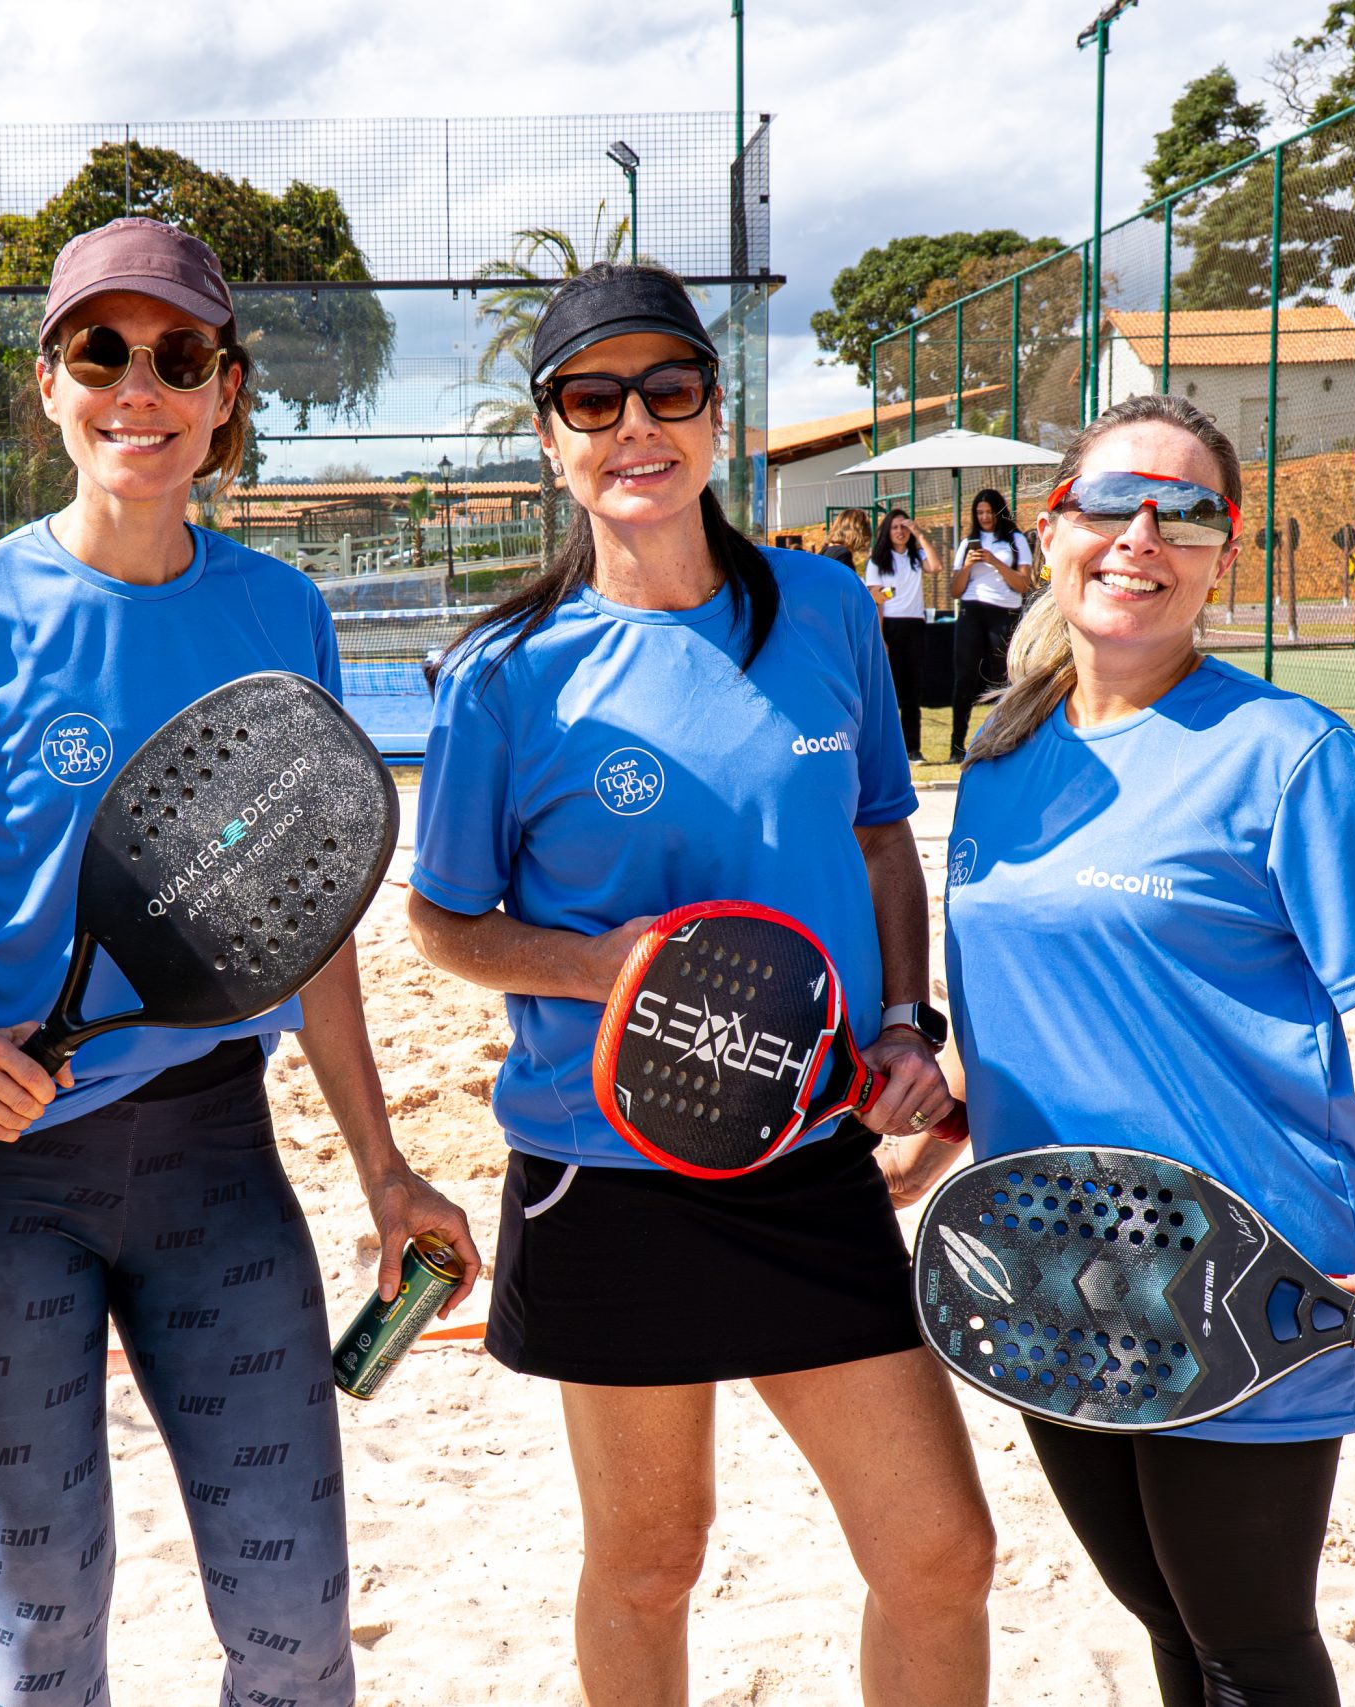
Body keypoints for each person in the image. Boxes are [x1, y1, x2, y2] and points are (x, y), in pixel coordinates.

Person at [0, 217, 478, 1707]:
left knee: (296, 1626)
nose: (140, 387)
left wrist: (384, 1170)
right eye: (101, 351)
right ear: (48, 382)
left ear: (226, 388)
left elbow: (307, 918)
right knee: (45, 1624)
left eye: (179, 356)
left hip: (209, 1155)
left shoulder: (278, 610)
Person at [405, 262, 995, 1707]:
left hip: (807, 1151)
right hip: (607, 1169)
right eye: (591, 398)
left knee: (940, 1552)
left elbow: (881, 837)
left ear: (715, 413)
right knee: (652, 1560)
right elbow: (444, 921)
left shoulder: (825, 608)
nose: (635, 425)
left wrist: (905, 1024)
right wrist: (598, 965)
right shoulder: (505, 672)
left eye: (667, 389)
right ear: (548, 435)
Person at [924, 391, 1355, 1706]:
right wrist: (939, 1103)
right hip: (1053, 1260)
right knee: (1166, 1617)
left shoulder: (1285, 755)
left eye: (1186, 513)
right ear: (1051, 527)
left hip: (1245, 1274)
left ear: (1222, 554)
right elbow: (1026, 1006)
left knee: (1245, 1643)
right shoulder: (1004, 755)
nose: (1143, 535)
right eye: (1112, 501)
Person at [947, 488, 1034, 760]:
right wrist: (968, 566)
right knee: (964, 678)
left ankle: (1005, 739)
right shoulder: (967, 543)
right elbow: (955, 590)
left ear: (999, 512)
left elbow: (1023, 584)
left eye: (989, 512)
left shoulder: (1016, 540)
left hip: (1004, 610)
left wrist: (994, 561)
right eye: (979, 512)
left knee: (1003, 675)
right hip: (972, 609)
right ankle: (956, 745)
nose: (984, 517)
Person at [864, 508, 934, 761]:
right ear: (887, 531)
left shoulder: (916, 557)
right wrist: (881, 637)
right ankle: (887, 749)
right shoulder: (877, 561)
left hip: (915, 624)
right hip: (891, 626)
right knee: (889, 690)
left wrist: (919, 534)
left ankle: (913, 748)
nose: (900, 532)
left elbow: (936, 566)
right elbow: (875, 600)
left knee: (912, 690)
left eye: (903, 527)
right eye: (894, 527)